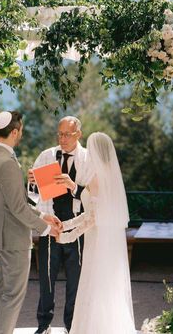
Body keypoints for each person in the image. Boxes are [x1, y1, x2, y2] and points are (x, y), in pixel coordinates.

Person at [0, 110, 62, 334]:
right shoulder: (7, 163)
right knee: (12, 296)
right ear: (15, 131)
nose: (21, 135)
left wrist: (42, 216)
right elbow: (17, 207)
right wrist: (46, 228)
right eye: (21, 131)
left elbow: (10, 203)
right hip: (14, 239)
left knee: (1, 291)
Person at [56, 132, 135, 334]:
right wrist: (65, 225)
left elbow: (91, 218)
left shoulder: (95, 177)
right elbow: (93, 213)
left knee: (94, 286)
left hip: (97, 241)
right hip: (107, 242)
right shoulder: (111, 176)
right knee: (107, 287)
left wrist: (67, 235)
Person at [28, 116, 92, 334]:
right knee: (46, 280)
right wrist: (33, 183)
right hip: (50, 227)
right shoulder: (46, 156)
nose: (62, 138)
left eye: (68, 134)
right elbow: (32, 196)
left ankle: (71, 326)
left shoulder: (89, 159)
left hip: (77, 229)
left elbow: (94, 197)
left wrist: (73, 185)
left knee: (75, 281)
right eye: (60, 134)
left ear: (78, 135)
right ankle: (44, 325)